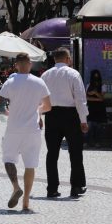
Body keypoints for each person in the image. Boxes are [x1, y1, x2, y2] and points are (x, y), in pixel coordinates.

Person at [0, 52, 51, 213]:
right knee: (30, 165)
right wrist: (37, 111)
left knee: (8, 159)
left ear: (16, 65)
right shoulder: (39, 82)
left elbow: (0, 106)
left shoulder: (10, 82)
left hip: (13, 128)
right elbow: (48, 106)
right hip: (32, 130)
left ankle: (15, 187)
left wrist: (7, 112)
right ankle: (26, 201)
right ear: (30, 64)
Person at [40, 47, 89, 199]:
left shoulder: (45, 75)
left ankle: (52, 188)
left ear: (55, 59)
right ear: (68, 59)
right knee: (75, 152)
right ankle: (76, 186)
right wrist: (83, 120)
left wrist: (39, 117)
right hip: (71, 115)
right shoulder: (73, 74)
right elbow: (80, 99)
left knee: (52, 153)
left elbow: (40, 98)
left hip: (51, 114)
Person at [86, 69, 107, 146]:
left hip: (100, 109)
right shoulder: (88, 85)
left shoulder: (103, 85)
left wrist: (95, 93)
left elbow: (102, 98)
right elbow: (87, 98)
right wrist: (97, 99)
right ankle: (89, 142)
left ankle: (98, 142)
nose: (96, 80)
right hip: (91, 108)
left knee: (99, 126)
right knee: (90, 126)